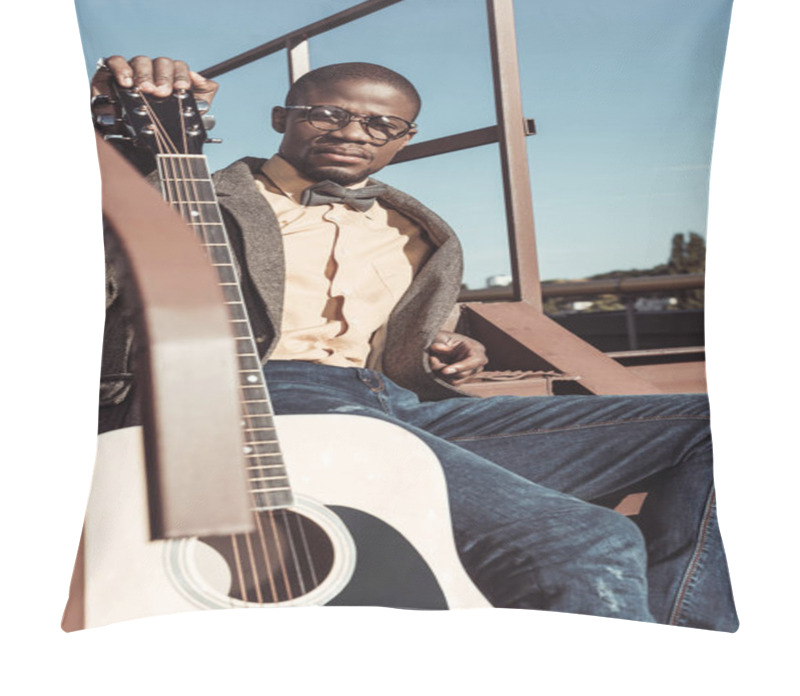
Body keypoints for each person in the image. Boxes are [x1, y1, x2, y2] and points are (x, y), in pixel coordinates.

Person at [93, 55, 738, 631]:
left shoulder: (417, 227)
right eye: (326, 114)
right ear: (278, 118)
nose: (352, 133)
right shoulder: (189, 194)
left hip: (397, 409)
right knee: (585, 538)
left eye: (381, 125)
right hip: (271, 403)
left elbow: (402, 327)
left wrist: (443, 343)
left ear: (406, 138)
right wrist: (101, 122)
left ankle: (686, 636)